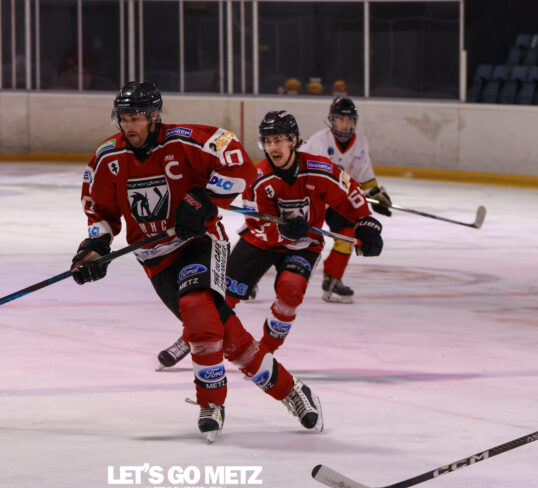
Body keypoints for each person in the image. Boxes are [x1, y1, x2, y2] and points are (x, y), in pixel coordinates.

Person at [70, 81, 323, 441]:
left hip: (199, 242)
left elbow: (238, 163)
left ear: (155, 117)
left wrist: (203, 199)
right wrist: (93, 250)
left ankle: (211, 403)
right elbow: (101, 213)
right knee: (228, 339)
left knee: (198, 313)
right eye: (124, 117)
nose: (130, 125)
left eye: (138, 117)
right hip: (154, 259)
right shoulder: (107, 158)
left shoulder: (185, 140)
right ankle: (292, 391)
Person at [157, 110, 383, 364]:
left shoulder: (319, 169)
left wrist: (366, 221)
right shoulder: (259, 179)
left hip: (303, 245)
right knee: (221, 297)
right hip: (261, 242)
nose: (273, 147)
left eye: (279, 140)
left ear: (294, 141)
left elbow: (351, 192)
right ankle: (188, 339)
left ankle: (263, 352)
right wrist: (280, 230)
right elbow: (256, 222)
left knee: (291, 291)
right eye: (268, 141)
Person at [298, 96, 392, 303]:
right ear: (332, 120)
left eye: (349, 120)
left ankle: (332, 280)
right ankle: (253, 277)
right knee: (291, 237)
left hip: (335, 198)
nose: (345, 124)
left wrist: (376, 195)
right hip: (307, 194)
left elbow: (363, 173)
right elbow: (321, 177)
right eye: (341, 119)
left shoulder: (359, 142)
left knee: (348, 235)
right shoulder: (319, 141)